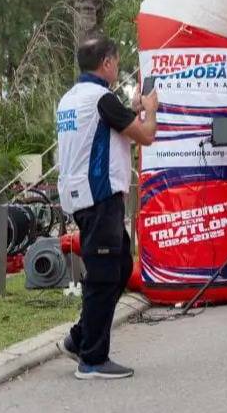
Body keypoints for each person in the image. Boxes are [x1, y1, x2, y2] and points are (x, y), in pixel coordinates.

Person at [55, 38, 158, 379]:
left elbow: (108, 132)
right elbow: (145, 135)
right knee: (102, 277)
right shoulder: (102, 99)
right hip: (100, 198)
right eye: (116, 60)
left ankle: (79, 338)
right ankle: (93, 359)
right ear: (107, 63)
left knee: (121, 265)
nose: (117, 66)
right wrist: (150, 109)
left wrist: (132, 110)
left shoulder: (71, 98)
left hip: (83, 197)